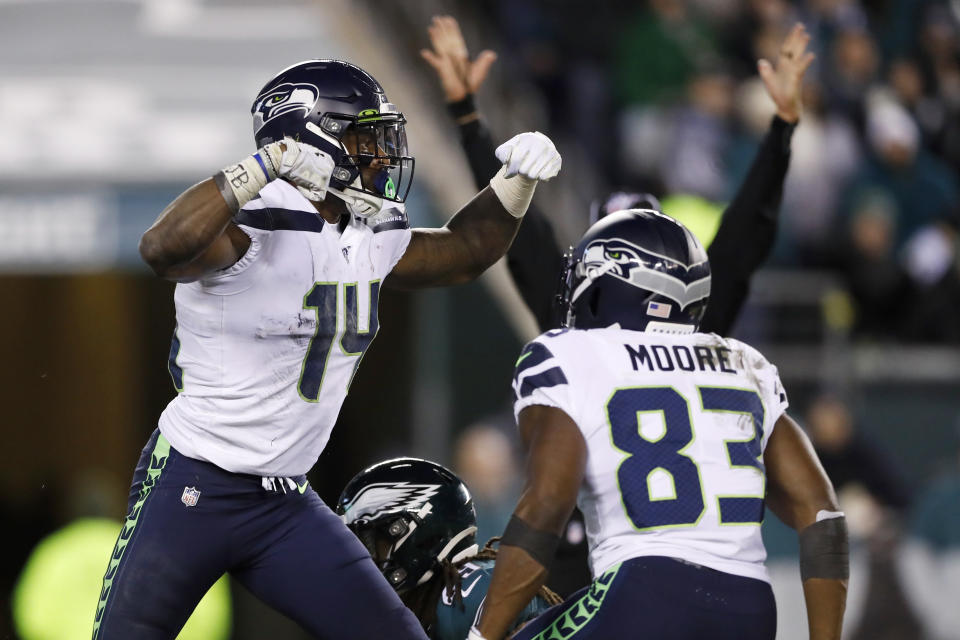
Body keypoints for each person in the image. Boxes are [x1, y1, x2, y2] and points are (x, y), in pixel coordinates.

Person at [93, 59, 561, 639]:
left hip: (284, 500)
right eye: (365, 138)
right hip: (194, 482)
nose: (382, 155)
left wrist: (515, 182)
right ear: (307, 140)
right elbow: (160, 248)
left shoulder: (367, 234)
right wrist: (265, 166)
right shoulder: (250, 226)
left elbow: (467, 250)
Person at [470, 210, 849, 640]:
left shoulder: (568, 353)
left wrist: (483, 636)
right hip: (750, 608)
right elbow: (822, 515)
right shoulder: (744, 362)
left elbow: (548, 502)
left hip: (645, 591)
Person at [421, 16, 813, 335]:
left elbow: (744, 234)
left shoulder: (691, 317)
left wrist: (783, 127)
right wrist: (467, 117)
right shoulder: (570, 315)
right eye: (621, 243)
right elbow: (517, 226)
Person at [337, 457, 562, 640]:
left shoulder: (467, 595)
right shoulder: (427, 601)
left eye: (373, 542)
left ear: (421, 535)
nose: (364, 556)